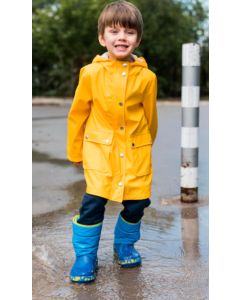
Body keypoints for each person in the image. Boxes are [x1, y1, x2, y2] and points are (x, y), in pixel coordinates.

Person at [67, 0, 158, 283]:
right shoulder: (90, 73)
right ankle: (85, 255)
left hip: (135, 150)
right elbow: (78, 114)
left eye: (129, 32)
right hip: (99, 150)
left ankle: (125, 244)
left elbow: (150, 118)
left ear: (138, 38)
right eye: (114, 31)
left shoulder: (147, 77)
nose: (122, 37)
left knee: (137, 202)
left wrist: (145, 146)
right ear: (102, 37)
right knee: (93, 202)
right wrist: (75, 149)